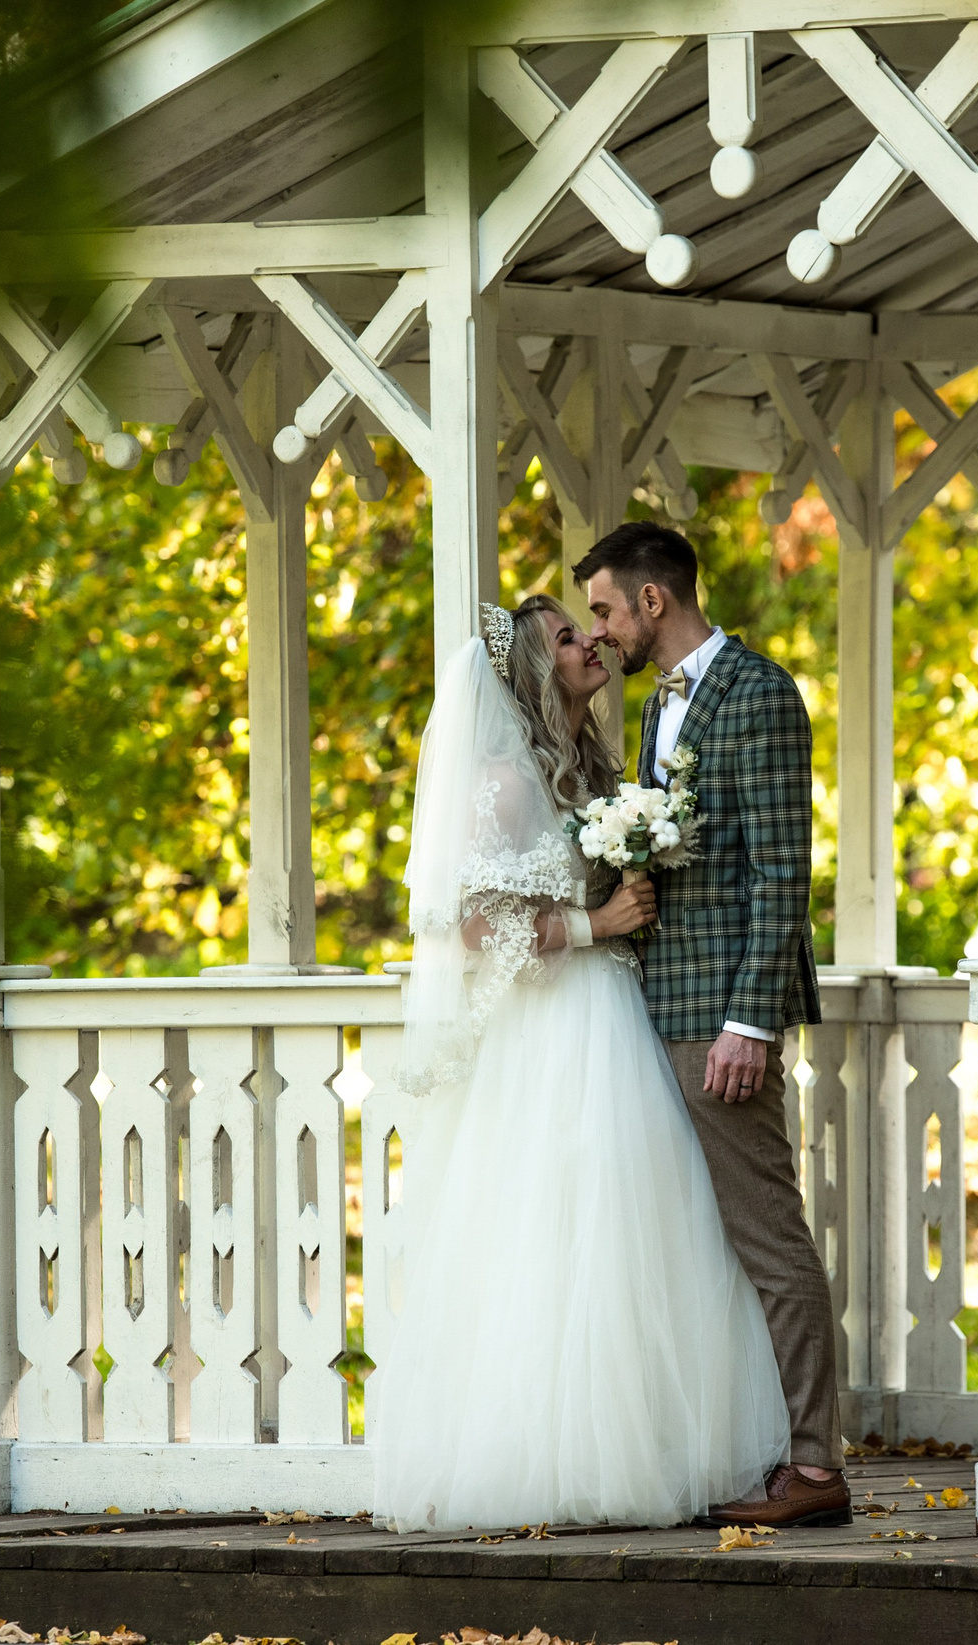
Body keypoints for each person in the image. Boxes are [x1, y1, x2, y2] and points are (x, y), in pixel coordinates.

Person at [374, 594, 787, 1532]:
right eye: (568, 636)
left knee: (638, 1229)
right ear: (532, 669)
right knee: (560, 1236)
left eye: (587, 624)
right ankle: (552, 1457)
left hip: (614, 1016)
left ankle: (645, 1442)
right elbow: (472, 927)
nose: (591, 640)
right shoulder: (505, 782)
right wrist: (595, 922)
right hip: (553, 1033)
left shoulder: (594, 764)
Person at [573, 522, 845, 1531]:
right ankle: (735, 1445)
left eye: (604, 608)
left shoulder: (760, 694)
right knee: (696, 1239)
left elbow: (782, 874)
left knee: (766, 1233)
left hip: (718, 1019)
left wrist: (750, 1020)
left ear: (653, 600)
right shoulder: (657, 705)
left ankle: (816, 1461)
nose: (600, 632)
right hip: (653, 1003)